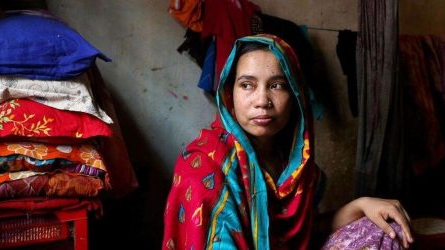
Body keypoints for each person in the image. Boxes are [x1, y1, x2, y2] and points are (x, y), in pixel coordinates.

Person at [162, 34, 413, 249]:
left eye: (277, 85)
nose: (262, 100)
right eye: (247, 85)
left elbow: (306, 232)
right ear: (230, 94)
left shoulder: (291, 162)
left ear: (296, 95)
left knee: (385, 228)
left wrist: (361, 205)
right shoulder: (203, 167)